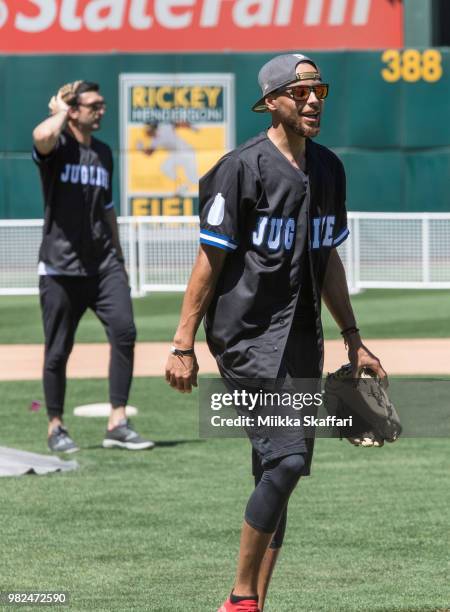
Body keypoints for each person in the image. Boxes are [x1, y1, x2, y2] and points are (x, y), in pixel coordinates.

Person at [165, 54, 386, 611]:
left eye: (319, 91)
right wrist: (182, 343)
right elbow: (209, 261)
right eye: (299, 92)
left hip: (301, 340)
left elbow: (327, 256)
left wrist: (353, 336)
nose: (312, 101)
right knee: (286, 461)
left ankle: (256, 603)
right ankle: (239, 599)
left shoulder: (330, 169)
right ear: (270, 102)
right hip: (247, 340)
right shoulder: (240, 169)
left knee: (276, 470)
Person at [32, 80, 154, 453]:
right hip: (60, 268)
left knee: (125, 332)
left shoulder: (102, 152)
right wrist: (59, 112)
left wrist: (119, 255)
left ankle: (117, 421)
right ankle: (56, 426)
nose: (100, 110)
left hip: (103, 266)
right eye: (93, 105)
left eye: (102, 105)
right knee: (57, 351)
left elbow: (107, 208)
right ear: (73, 109)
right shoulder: (59, 146)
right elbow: (40, 136)